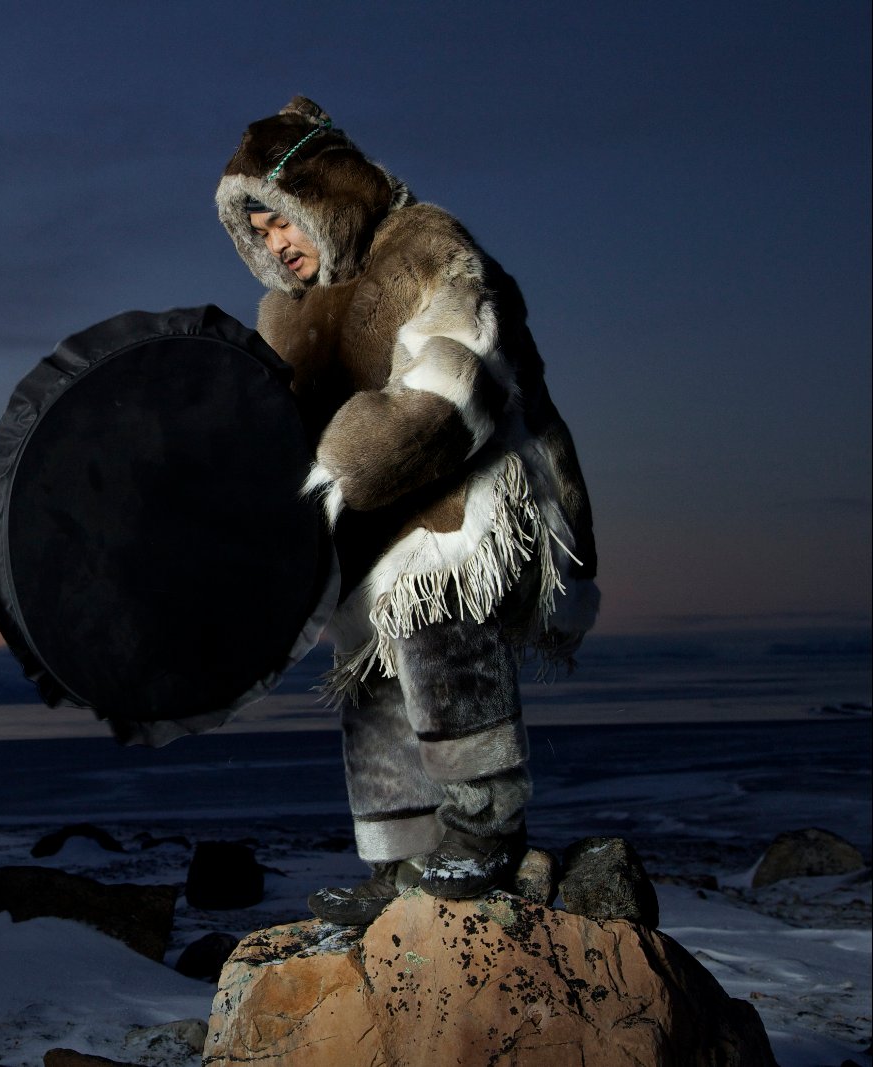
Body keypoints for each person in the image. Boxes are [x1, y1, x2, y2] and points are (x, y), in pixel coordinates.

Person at [216, 96, 599, 924]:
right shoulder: (285, 316)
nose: (278, 242)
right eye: (259, 228)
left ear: (326, 195)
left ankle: (485, 834)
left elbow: (457, 376)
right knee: (375, 683)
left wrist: (354, 454)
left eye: (283, 218)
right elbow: (282, 435)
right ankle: (401, 861)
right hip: (364, 536)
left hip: (461, 507)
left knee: (445, 643)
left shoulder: (426, 243)